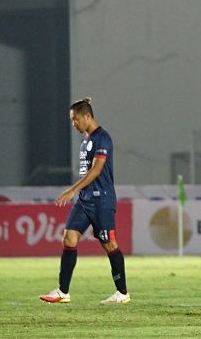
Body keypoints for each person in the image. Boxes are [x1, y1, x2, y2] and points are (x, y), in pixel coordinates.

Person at [39, 98, 130, 304]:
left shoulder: (103, 139)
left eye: (75, 120)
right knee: (69, 238)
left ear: (87, 116)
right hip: (85, 200)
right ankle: (63, 292)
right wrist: (78, 193)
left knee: (109, 244)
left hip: (101, 201)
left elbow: (96, 171)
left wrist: (71, 190)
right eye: (72, 121)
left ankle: (122, 293)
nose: (74, 124)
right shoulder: (85, 140)